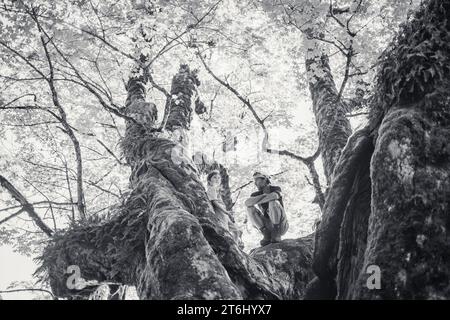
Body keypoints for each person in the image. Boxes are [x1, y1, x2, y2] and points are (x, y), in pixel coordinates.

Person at [245, 171, 289, 246]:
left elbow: (274, 196)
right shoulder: (255, 194)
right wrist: (265, 196)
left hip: (281, 225)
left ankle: (276, 232)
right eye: (255, 181)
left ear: (265, 179)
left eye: (257, 180)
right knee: (249, 208)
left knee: (273, 202)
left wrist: (258, 200)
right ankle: (266, 234)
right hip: (267, 225)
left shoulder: (275, 188)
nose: (256, 183)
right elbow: (247, 203)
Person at [206, 170, 244, 248]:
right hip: (220, 212)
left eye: (219, 178)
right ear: (209, 180)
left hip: (224, 213)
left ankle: (236, 247)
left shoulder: (216, 190)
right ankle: (230, 247)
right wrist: (226, 212)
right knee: (225, 231)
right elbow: (214, 203)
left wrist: (226, 213)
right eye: (214, 177)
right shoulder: (211, 188)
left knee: (236, 231)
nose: (217, 179)